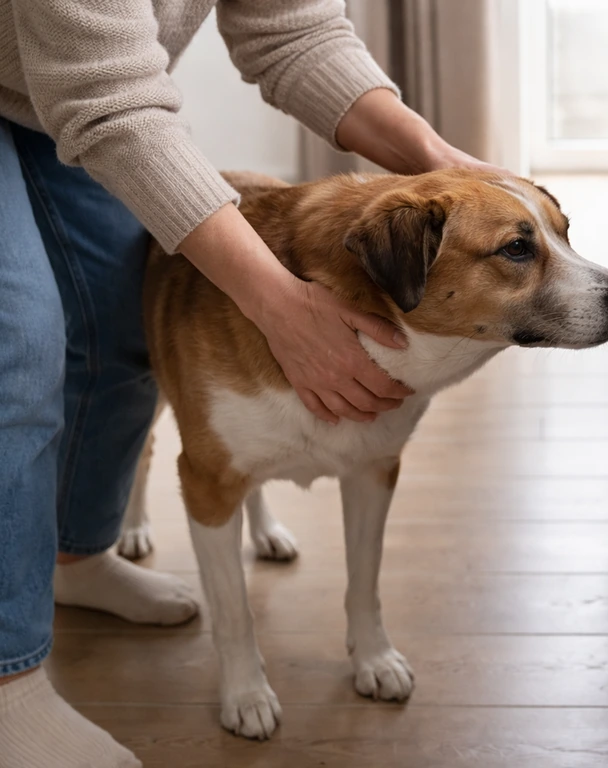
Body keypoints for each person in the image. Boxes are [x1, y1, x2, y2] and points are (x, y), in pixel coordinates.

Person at [0, 2, 498, 765]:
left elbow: (292, 27)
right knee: (18, 344)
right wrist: (274, 303)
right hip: (83, 86)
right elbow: (108, 98)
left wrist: (438, 162)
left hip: (49, 88)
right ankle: (9, 686)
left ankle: (77, 557)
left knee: (116, 318)